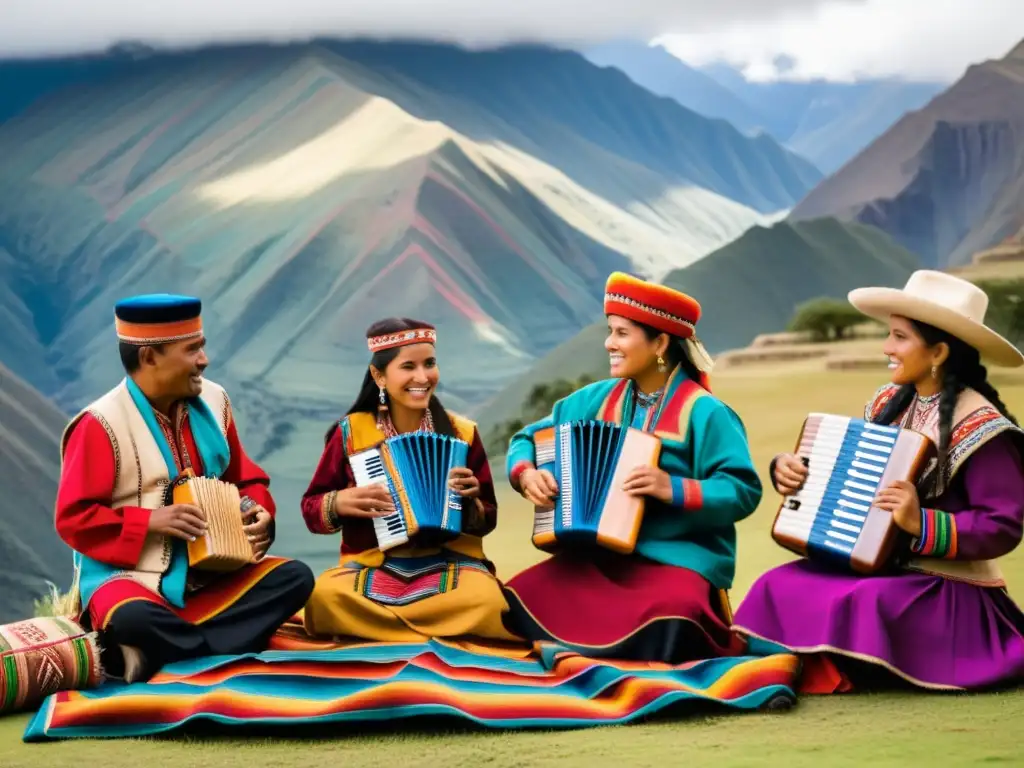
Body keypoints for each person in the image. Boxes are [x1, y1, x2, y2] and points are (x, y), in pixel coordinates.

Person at [733, 270, 1024, 692]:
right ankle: (817, 667)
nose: (886, 348)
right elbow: (853, 476)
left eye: (899, 337)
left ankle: (824, 669)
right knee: (776, 584)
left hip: (947, 587)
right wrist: (794, 471)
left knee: (865, 602)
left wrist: (920, 522)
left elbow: (1003, 525)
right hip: (882, 567)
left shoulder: (984, 428)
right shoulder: (889, 401)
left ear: (939, 351)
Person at [501, 272, 762, 662]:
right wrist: (526, 474)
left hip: (676, 559)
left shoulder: (707, 412)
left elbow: (742, 490)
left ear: (660, 342)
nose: (609, 343)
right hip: (596, 558)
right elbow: (525, 440)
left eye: (622, 333)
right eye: (610, 331)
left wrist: (670, 487)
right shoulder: (593, 400)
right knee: (514, 600)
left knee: (673, 618)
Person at [55, 294, 315, 684]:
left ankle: (170, 654)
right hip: (130, 580)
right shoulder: (99, 424)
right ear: (149, 358)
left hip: (212, 575)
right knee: (132, 619)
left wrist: (260, 512)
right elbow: (74, 519)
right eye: (192, 350)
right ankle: (223, 646)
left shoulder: (214, 400)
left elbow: (247, 479)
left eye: (202, 347)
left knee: (295, 577)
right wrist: (151, 522)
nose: (204, 360)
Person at [299, 318, 521, 644]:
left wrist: (472, 503)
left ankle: (383, 631)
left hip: (450, 564)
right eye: (408, 366)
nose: (422, 377)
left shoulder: (464, 433)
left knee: (485, 601)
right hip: (371, 566)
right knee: (325, 597)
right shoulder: (351, 431)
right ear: (379, 376)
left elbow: (488, 516)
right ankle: (432, 632)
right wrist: (340, 502)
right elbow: (311, 509)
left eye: (429, 363)